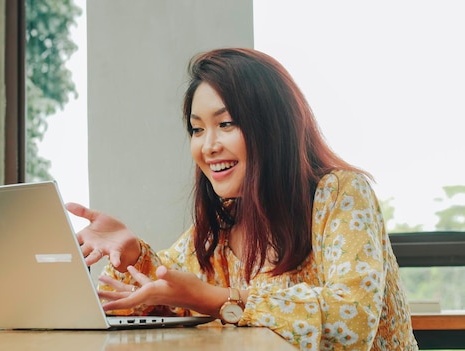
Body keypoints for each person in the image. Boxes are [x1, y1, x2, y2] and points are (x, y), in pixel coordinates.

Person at [66, 48, 418, 351]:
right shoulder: (222, 223)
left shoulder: (340, 193)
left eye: (227, 123)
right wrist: (131, 255)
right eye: (197, 129)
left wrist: (218, 300)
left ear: (273, 127)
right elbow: (170, 292)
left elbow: (352, 320)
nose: (208, 146)